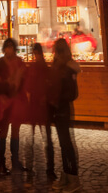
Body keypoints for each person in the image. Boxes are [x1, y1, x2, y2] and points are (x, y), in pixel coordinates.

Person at [48, 37, 80, 191]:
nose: (53, 53)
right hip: (57, 108)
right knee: (63, 143)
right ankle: (66, 175)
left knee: (66, 144)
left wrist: (57, 99)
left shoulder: (67, 69)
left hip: (63, 109)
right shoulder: (58, 66)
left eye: (55, 50)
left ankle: (73, 178)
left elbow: (71, 93)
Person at [0, 37, 26, 175]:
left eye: (11, 47)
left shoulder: (19, 62)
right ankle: (1, 163)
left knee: (16, 131)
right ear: (4, 48)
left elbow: (23, 81)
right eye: (7, 47)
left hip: (16, 101)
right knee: (4, 132)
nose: (9, 49)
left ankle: (15, 161)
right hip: (4, 102)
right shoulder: (0, 63)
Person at [17, 42, 50, 181]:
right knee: (46, 138)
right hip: (42, 107)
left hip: (35, 106)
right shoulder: (46, 68)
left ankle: (30, 168)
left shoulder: (34, 68)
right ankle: (50, 168)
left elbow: (28, 87)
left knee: (30, 138)